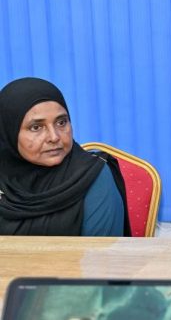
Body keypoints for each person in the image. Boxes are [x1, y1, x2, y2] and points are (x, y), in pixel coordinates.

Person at [0, 77, 128, 236]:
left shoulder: (92, 176)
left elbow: (101, 250)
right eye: (36, 127)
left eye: (61, 122)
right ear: (8, 132)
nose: (54, 137)